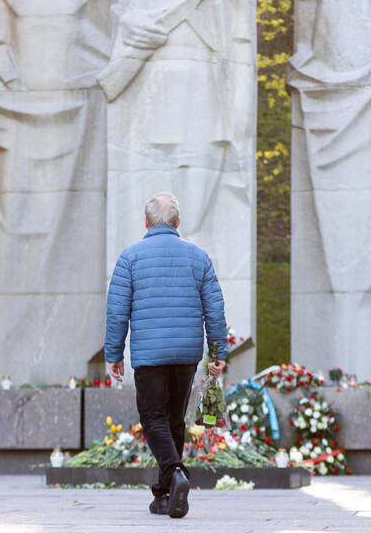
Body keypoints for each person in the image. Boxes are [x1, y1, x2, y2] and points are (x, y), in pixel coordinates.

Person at [104, 192, 228, 518]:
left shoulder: (130, 258)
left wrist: (114, 353)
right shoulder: (199, 258)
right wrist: (217, 351)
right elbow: (215, 311)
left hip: (149, 355)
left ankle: (175, 473)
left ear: (146, 223)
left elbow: (117, 312)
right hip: (186, 354)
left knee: (153, 419)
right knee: (174, 421)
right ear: (177, 223)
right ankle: (163, 495)